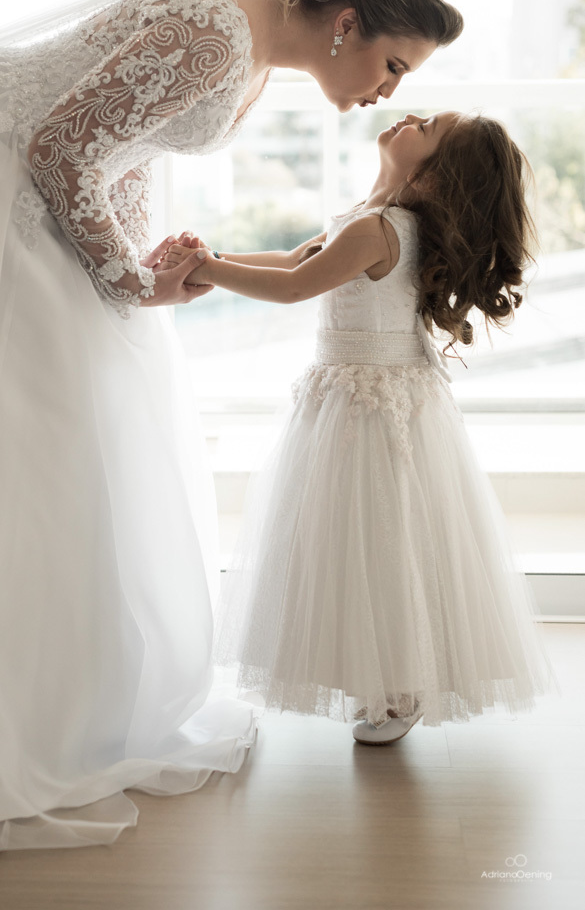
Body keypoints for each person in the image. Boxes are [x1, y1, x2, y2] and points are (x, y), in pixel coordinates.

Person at [0, 0, 463, 862]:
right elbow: (63, 142)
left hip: (19, 182)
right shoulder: (222, 37)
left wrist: (140, 251)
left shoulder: (252, 43)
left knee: (39, 445)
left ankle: (8, 687)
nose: (389, 91)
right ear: (348, 23)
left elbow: (124, 137)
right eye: (392, 64)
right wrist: (122, 278)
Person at [161, 110, 558, 741]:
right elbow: (295, 258)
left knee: (384, 537)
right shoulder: (366, 219)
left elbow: (295, 288)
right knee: (363, 540)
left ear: (432, 178)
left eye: (427, 127)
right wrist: (212, 254)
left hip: (373, 402)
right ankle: (384, 678)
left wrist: (206, 270)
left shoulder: (379, 229)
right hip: (357, 393)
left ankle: (398, 686)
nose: (411, 114)